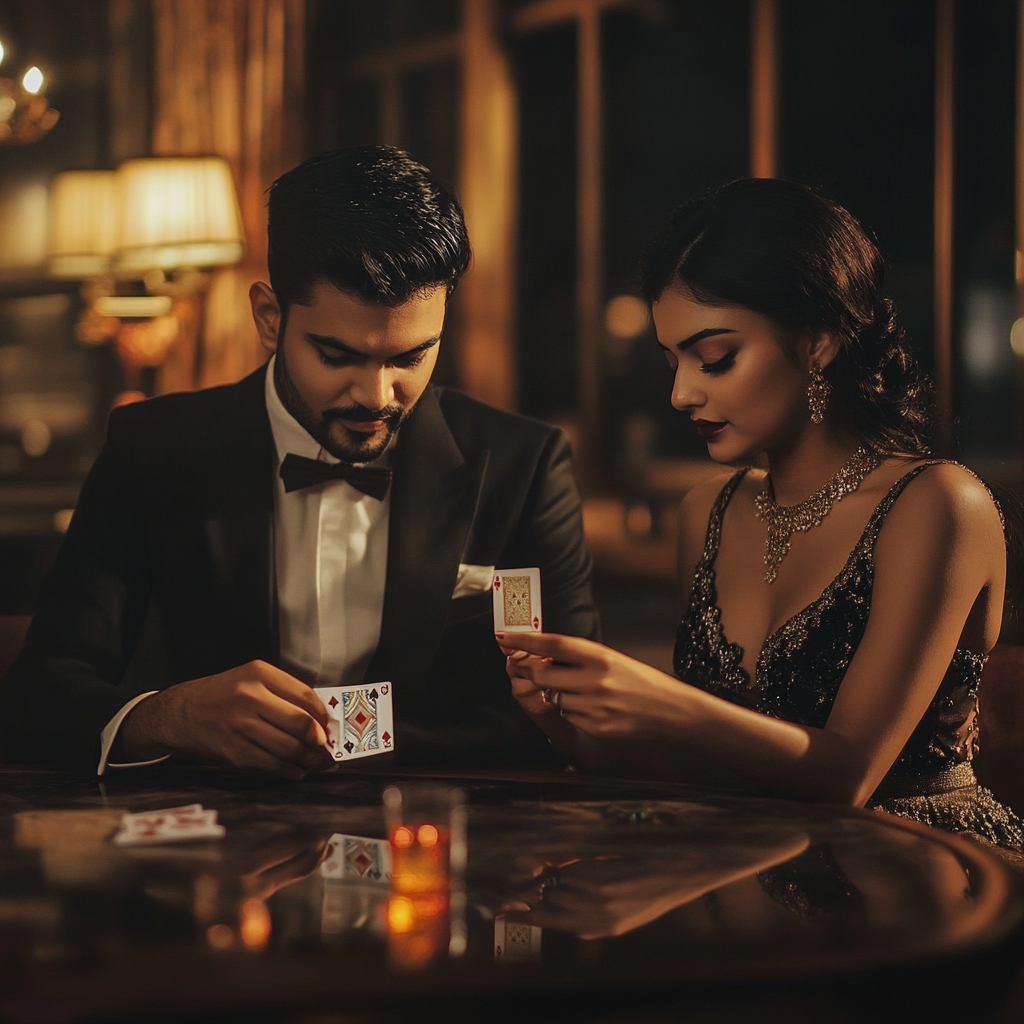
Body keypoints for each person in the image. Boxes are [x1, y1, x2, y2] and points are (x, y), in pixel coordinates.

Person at [0, 146, 598, 777]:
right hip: (206, 855)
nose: (376, 395)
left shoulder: (523, 465)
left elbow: (566, 719)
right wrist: (174, 717)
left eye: (410, 358)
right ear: (268, 318)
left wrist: (340, 743)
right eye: (338, 356)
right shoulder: (152, 449)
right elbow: (39, 699)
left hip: (433, 843)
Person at [501, 178, 1023, 853]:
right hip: (756, 860)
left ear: (819, 342)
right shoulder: (708, 513)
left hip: (926, 874)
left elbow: (849, 775)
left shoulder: (937, 504)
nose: (682, 393)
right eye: (671, 361)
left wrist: (660, 701)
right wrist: (568, 727)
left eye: (715, 359)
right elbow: (723, 766)